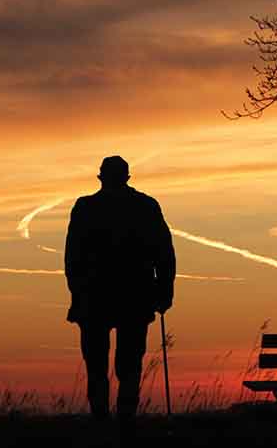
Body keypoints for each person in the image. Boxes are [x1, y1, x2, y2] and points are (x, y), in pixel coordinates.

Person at [65, 155, 176, 423]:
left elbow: (72, 258)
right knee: (129, 365)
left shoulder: (85, 208)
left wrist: (77, 293)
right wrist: (164, 291)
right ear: (126, 177)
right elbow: (164, 253)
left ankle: (102, 419)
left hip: (95, 298)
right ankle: (125, 419)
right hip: (133, 297)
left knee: (97, 366)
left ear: (102, 177)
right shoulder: (146, 207)